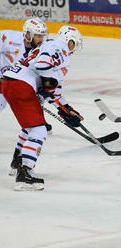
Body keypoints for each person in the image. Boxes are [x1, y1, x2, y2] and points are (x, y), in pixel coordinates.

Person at [1, 25, 84, 191]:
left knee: (31, 126)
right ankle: (24, 175)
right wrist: (47, 83)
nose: (73, 48)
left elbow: (54, 88)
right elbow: (43, 65)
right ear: (69, 41)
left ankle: (17, 162)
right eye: (74, 43)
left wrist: (65, 108)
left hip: (10, 82)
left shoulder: (47, 45)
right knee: (39, 130)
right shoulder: (60, 48)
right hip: (22, 86)